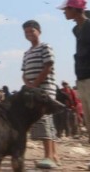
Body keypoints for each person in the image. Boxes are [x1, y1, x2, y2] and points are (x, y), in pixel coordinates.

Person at [21, 19, 59, 169]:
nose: (29, 34)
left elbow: (48, 67)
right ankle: (54, 154)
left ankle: (48, 156)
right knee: (47, 122)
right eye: (26, 32)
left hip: (44, 90)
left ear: (39, 31)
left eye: (32, 31)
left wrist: (35, 85)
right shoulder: (27, 53)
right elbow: (24, 73)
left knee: (44, 120)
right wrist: (28, 85)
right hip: (33, 90)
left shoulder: (45, 47)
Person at [59, 0, 90, 144]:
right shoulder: (76, 29)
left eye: (66, 9)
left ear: (74, 9)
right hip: (82, 77)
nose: (64, 12)